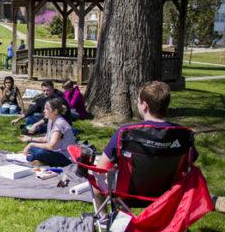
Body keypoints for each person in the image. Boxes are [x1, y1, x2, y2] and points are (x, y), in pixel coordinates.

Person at [94, 81, 225, 214]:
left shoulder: (126, 133)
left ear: (144, 106)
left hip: (128, 196)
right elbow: (190, 164)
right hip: (168, 195)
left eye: (139, 101)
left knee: (95, 178)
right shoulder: (183, 135)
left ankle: (105, 219)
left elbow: (101, 168)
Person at [20, 98, 75, 167]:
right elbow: (46, 139)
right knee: (32, 147)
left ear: (55, 111)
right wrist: (30, 139)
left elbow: (51, 146)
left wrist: (31, 144)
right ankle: (39, 160)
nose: (44, 111)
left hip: (65, 158)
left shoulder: (59, 124)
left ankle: (27, 158)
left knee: (40, 152)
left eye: (47, 109)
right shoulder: (51, 120)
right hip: (55, 152)